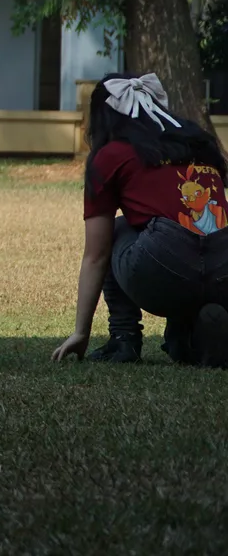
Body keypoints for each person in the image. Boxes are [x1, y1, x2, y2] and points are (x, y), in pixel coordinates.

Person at [51, 72, 228, 368]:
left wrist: (81, 331)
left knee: (119, 228)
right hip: (223, 264)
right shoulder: (199, 141)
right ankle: (194, 335)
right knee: (181, 338)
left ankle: (124, 339)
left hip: (165, 264)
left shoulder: (112, 155)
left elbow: (97, 254)